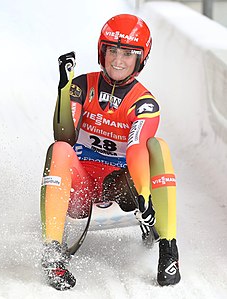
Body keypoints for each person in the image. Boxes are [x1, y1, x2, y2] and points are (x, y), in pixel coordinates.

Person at [40, 13, 181, 290]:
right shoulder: (82, 85)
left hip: (120, 183)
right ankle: (51, 253)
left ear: (141, 58)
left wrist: (142, 194)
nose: (118, 60)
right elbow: (64, 137)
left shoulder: (144, 103)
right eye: (112, 50)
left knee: (158, 146)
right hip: (81, 187)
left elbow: (137, 148)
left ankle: (169, 248)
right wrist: (64, 90)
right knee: (57, 149)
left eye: (128, 53)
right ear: (101, 51)